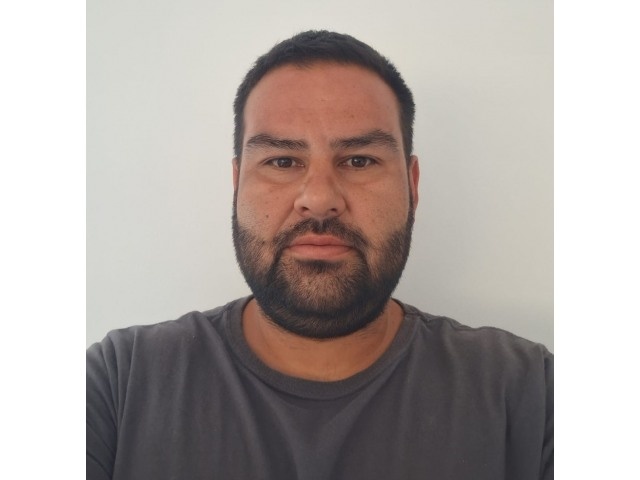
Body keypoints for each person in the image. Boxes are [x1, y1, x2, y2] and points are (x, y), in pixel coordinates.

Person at [87, 30, 553, 480]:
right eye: (282, 161)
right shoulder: (117, 385)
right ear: (237, 183)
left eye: (359, 160)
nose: (319, 199)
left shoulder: (529, 393)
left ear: (412, 185)